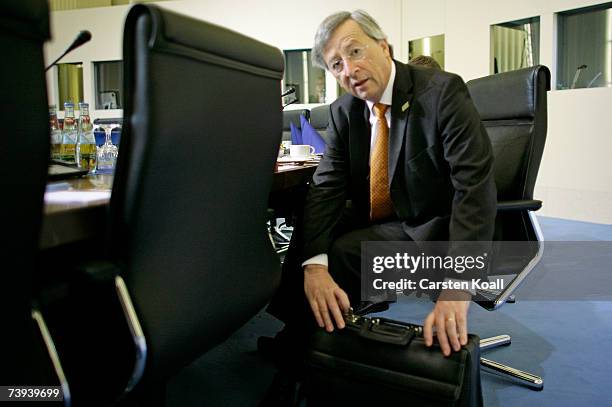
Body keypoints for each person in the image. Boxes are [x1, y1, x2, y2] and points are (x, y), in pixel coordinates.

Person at [266, 9, 495, 361]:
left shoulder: (442, 93)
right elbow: (326, 188)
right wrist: (313, 266)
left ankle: (310, 344)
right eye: (336, 65)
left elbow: (474, 189)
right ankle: (301, 330)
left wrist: (456, 287)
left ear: (384, 47)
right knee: (311, 225)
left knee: (344, 252)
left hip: (426, 225)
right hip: (375, 214)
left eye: (354, 51)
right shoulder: (345, 111)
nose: (349, 70)